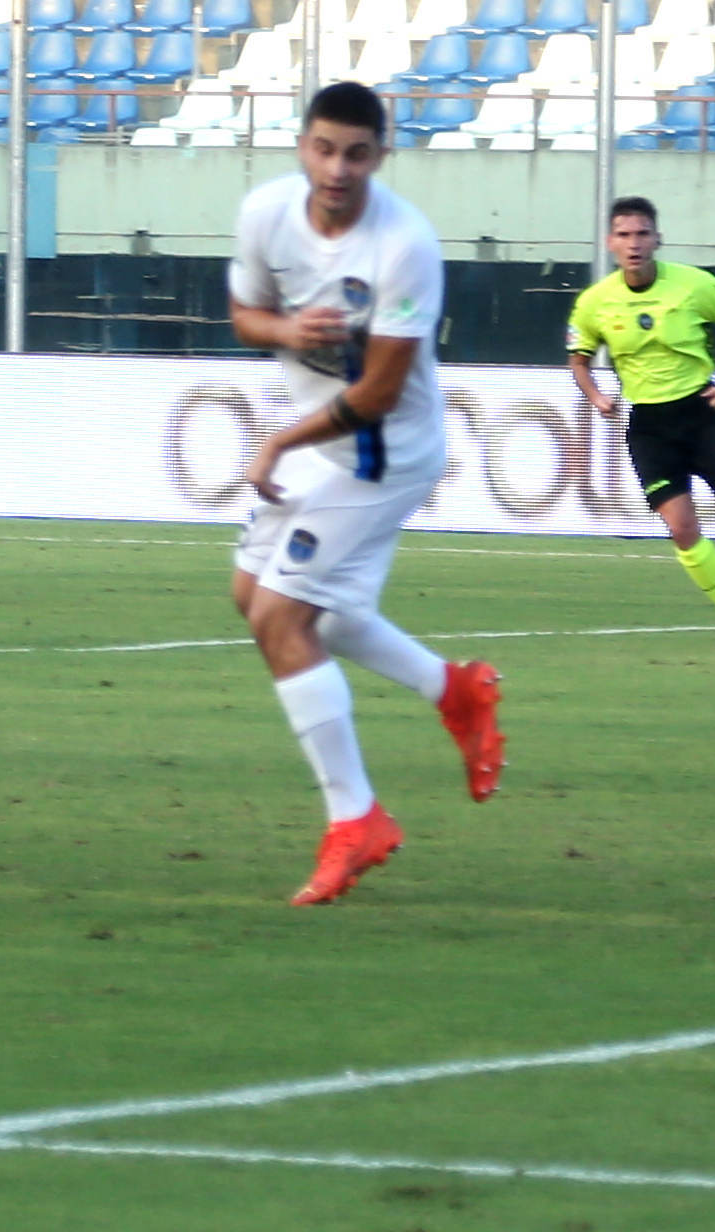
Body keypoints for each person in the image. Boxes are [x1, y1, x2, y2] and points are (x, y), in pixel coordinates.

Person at [226, 83, 504, 907]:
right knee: (255, 599)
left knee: (285, 618)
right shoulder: (266, 214)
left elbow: (382, 391)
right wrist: (284, 332)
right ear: (302, 145)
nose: (336, 168)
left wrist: (278, 438)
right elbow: (246, 313)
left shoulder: (404, 243)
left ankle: (357, 818)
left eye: (356, 153)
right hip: (322, 438)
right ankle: (453, 690)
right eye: (323, 148)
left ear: (381, 155)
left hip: (386, 451)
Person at [567, 196, 715, 650]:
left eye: (642, 234)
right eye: (624, 235)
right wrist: (596, 395)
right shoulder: (595, 303)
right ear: (610, 242)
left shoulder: (694, 286)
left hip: (702, 416)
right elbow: (578, 359)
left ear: (657, 238)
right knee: (681, 529)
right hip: (650, 427)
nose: (633, 244)